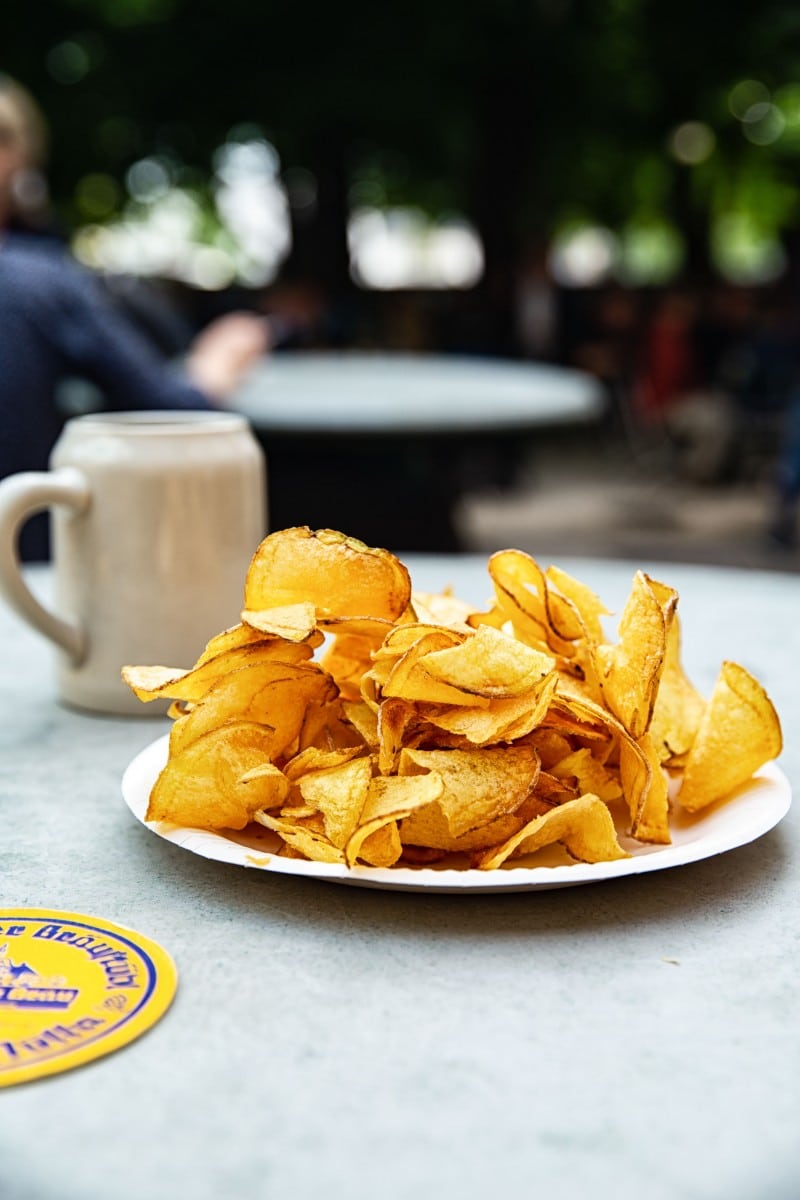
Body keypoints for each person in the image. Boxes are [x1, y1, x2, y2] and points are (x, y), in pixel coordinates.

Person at [0, 77, 269, 560]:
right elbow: (173, 416)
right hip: (21, 576)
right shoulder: (39, 283)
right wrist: (219, 359)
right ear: (14, 157)